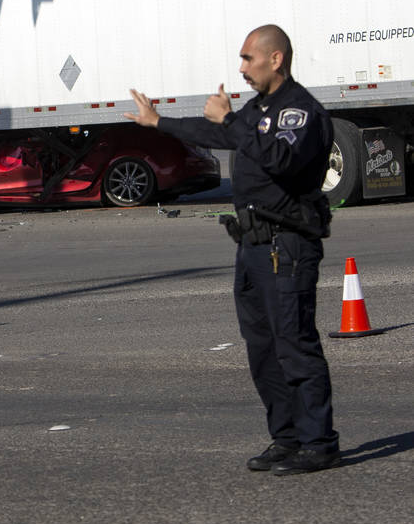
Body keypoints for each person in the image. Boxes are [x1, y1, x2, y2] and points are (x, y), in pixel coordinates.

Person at [124, 24, 340, 475]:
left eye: (248, 59)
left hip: (287, 245)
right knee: (262, 349)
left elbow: (279, 158)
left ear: (275, 59)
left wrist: (230, 121)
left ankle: (319, 444)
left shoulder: (300, 111)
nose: (242, 68)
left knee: (294, 346)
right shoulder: (259, 109)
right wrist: (158, 122)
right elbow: (222, 135)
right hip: (252, 246)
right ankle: (287, 438)